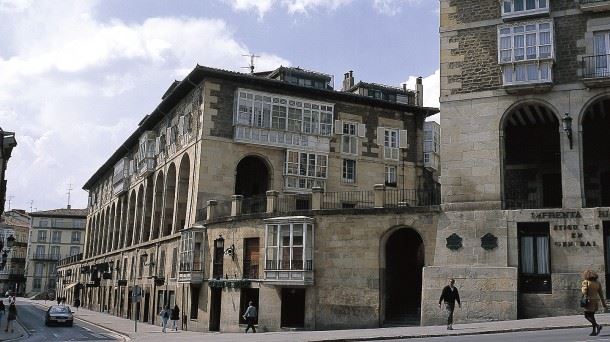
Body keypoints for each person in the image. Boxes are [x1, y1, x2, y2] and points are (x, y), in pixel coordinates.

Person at [582, 270, 607, 336]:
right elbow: (601, 293)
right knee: (592, 316)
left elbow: (584, 292)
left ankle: (597, 326)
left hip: (589, 300)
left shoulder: (586, 282)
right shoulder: (597, 283)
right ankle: (594, 331)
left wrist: (583, 287)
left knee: (586, 316)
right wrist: (604, 303)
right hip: (595, 300)